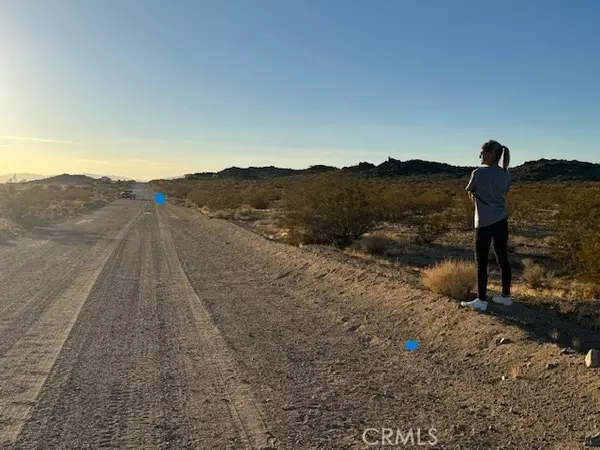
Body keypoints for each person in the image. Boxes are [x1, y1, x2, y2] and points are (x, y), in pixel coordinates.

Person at [460, 140, 513, 311]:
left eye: (483, 153)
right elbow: (504, 191)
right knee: (502, 258)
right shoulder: (505, 175)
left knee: (481, 261)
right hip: (501, 221)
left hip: (482, 223)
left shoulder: (478, 173)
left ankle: (481, 300)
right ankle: (506, 296)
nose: (480, 156)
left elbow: (470, 189)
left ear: (491, 154)